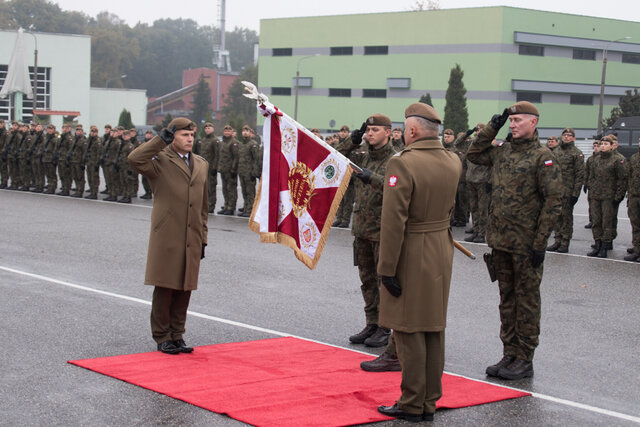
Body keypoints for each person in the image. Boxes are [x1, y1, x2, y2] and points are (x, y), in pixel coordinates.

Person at [376, 103, 461, 422]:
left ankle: (412, 402)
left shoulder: (402, 164)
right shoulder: (453, 160)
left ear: (411, 130)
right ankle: (428, 398)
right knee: (433, 327)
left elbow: (394, 221)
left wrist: (387, 268)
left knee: (408, 328)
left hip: (412, 249)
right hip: (441, 245)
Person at [467, 101, 562, 380]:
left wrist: (540, 243)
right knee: (507, 299)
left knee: (527, 301)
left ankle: (525, 357)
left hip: (525, 244)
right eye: (511, 120)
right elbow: (473, 153)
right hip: (500, 241)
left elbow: (553, 201)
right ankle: (509, 352)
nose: (513, 124)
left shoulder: (542, 157)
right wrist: (492, 126)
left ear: (534, 123)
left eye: (519, 120)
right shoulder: (503, 152)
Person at [128, 117, 209, 354]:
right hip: (168, 233)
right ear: (172, 137)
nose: (190, 139)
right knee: (165, 286)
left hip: (192, 235)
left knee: (185, 288)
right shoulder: (160, 160)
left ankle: (177, 334)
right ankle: (162, 336)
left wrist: (203, 237)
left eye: (192, 135)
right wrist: (158, 141)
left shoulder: (201, 164)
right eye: (184, 135)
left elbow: (203, 205)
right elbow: (134, 159)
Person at [340, 114, 398, 349]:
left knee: (383, 281)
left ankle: (385, 327)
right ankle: (372, 322)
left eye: (375, 130)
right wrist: (351, 141)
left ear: (388, 132)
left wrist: (370, 177)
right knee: (367, 280)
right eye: (367, 130)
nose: (369, 134)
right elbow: (334, 156)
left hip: (383, 231)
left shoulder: (396, 159)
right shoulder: (362, 154)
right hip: (362, 228)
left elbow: (397, 188)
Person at [586, 135, 627, 258]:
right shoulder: (596, 159)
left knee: (607, 223)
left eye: (606, 144)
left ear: (611, 146)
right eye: (601, 144)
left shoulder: (617, 160)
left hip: (609, 197)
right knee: (596, 221)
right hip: (595, 195)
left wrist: (619, 196)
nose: (603, 146)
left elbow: (622, 179)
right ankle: (597, 244)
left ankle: (605, 246)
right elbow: (591, 176)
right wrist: (590, 187)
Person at [546, 128, 584, 253]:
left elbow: (579, 175)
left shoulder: (576, 153)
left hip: (568, 191)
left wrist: (575, 193)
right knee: (556, 217)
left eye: (569, 135)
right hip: (555, 190)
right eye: (565, 135)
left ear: (573, 138)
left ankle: (565, 242)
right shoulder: (556, 151)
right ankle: (557, 240)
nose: (567, 137)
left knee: (566, 218)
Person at [464, 124, 491, 243]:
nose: (478, 132)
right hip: (471, 180)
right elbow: (458, 144)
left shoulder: (488, 146)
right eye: (477, 130)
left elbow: (493, 165)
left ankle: (481, 234)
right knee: (473, 208)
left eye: (481, 130)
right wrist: (468, 132)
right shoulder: (471, 145)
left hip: (482, 181)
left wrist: (490, 181)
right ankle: (475, 231)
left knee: (483, 209)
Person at [217, 124, 239, 215]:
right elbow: (220, 156)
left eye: (229, 131)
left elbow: (236, 157)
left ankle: (231, 207)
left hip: (230, 170)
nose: (227, 132)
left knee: (231, 189)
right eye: (225, 131)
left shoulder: (234, 143)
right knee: (225, 189)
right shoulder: (222, 143)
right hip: (223, 169)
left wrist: (234, 169)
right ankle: (226, 205)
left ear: (231, 132)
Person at [625, 136, 640, 262]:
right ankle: (637, 249)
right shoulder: (634, 158)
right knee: (635, 224)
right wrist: (628, 195)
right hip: (634, 195)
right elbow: (629, 178)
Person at [199, 122, 219, 212]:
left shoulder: (215, 140)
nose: (207, 129)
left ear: (213, 129)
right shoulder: (203, 140)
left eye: (209, 128)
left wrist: (215, 167)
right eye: (206, 128)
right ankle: (204, 204)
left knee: (211, 187)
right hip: (203, 167)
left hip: (211, 168)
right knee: (203, 187)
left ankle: (211, 205)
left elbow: (217, 155)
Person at [583, 139, 600, 229]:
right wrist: (585, 184)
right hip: (591, 185)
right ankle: (591, 220)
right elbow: (587, 172)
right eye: (594, 147)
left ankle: (597, 222)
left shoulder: (601, 159)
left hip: (600, 187)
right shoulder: (590, 159)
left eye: (598, 146)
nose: (596, 148)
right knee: (591, 204)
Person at [84, 126, 103, 199]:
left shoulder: (97, 141)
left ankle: (94, 193)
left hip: (94, 163)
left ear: (97, 133)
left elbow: (99, 153)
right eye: (91, 131)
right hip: (89, 162)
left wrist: (97, 163)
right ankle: (92, 191)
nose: (92, 133)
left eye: (94, 132)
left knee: (94, 178)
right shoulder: (90, 140)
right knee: (90, 178)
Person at [140, 129, 155, 199]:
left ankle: (149, 193)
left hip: (150, 163)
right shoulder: (143, 143)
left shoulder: (153, 143)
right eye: (147, 134)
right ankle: (146, 192)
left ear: (152, 135)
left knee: (149, 180)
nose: (148, 135)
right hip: (143, 163)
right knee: (144, 179)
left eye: (149, 134)